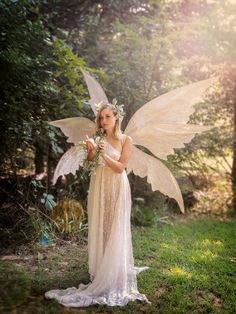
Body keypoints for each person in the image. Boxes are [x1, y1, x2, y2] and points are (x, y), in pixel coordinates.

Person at [44, 102, 151, 307]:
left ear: (116, 117)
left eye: (107, 117)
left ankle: (115, 269)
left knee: (114, 225)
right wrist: (93, 150)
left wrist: (103, 154)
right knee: (102, 224)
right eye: (101, 118)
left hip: (116, 185)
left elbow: (120, 168)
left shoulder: (126, 140)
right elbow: (91, 163)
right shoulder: (99, 138)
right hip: (100, 184)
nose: (103, 121)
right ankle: (103, 267)